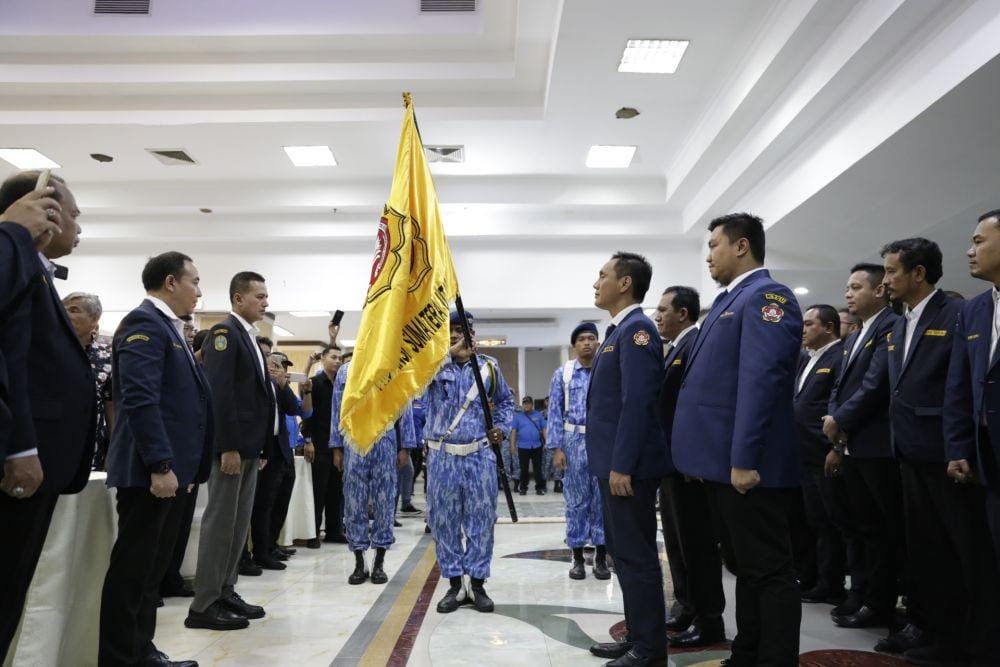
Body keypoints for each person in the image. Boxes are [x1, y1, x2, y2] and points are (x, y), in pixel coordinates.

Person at [672, 213, 804, 666]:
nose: (708, 254)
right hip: (721, 466)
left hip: (749, 466)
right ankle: (748, 653)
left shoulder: (767, 296)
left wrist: (744, 458)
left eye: (714, 245)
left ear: (742, 246)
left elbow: (761, 380)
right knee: (746, 569)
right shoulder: (730, 301)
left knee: (769, 571)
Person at [882, 234, 999, 666]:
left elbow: (959, 387)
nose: (886, 281)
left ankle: (961, 639)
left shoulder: (956, 313)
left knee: (959, 553)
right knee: (925, 551)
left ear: (918, 273)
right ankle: (931, 629)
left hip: (946, 453)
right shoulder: (899, 322)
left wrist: (957, 445)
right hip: (910, 451)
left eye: (893, 271)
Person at [0, 172, 95, 662]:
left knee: (12, 593)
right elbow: (11, 361)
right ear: (45, 211)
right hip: (20, 461)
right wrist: (21, 446)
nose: (78, 226)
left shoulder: (34, 272)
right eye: (74, 215)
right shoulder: (13, 263)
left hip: (41, 463)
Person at [99, 251, 210, 667]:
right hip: (151, 473)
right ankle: (119, 657)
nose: (199, 291)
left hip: (172, 473)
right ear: (170, 282)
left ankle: (141, 650)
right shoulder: (144, 323)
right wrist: (161, 465)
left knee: (151, 572)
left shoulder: (171, 328)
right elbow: (140, 399)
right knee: (133, 571)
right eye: (194, 281)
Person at [586, 252, 670, 667]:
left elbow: (637, 403)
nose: (596, 282)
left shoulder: (638, 330)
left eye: (603, 275)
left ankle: (650, 650)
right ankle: (637, 636)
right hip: (612, 464)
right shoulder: (618, 330)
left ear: (625, 284)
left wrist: (622, 464)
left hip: (627, 469)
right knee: (624, 556)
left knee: (637, 558)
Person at [185, 271, 275, 631]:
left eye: (266, 296)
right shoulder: (225, 334)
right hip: (233, 449)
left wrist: (260, 446)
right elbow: (220, 394)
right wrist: (228, 447)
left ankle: (225, 589)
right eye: (259, 296)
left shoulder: (249, 336)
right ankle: (204, 602)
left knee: (238, 526)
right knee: (221, 522)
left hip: (251, 447)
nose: (266, 302)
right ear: (239, 299)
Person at [824, 263, 902, 632]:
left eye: (856, 287)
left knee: (882, 532)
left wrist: (841, 419)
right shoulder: (855, 335)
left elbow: (876, 384)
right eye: (847, 287)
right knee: (861, 527)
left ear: (879, 291)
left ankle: (880, 603)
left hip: (875, 444)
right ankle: (863, 594)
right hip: (851, 444)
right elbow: (840, 385)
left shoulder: (890, 325)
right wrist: (833, 418)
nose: (848, 294)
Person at [424, 311, 514, 614]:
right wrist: (445, 354)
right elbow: (411, 384)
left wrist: (501, 427)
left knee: (481, 521)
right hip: (442, 456)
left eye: (460, 330)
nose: (454, 335)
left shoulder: (488, 367)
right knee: (444, 522)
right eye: (449, 330)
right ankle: (453, 585)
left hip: (479, 455)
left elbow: (505, 401)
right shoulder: (431, 365)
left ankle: (476, 584)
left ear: (471, 333)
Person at [653, 286, 726, 649]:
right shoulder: (676, 347)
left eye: (664, 309)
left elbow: (695, 406)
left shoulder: (695, 343)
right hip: (672, 464)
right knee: (678, 543)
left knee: (697, 545)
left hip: (689, 468)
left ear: (683, 313)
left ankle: (708, 619)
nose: (658, 316)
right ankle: (686, 606)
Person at [330, 361, 417, 584]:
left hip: (385, 438)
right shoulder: (347, 370)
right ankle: (359, 561)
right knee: (354, 501)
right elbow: (337, 408)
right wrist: (336, 446)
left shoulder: (396, 365)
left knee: (385, 501)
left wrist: (405, 445)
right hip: (354, 439)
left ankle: (379, 561)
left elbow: (404, 405)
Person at [792, 305, 853, 609]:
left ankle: (831, 584)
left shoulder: (838, 356)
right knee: (811, 520)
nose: (803, 330)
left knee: (830, 522)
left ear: (829, 327)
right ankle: (812, 576)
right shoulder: (809, 358)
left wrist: (836, 448)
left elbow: (836, 403)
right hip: (803, 453)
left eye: (809, 324)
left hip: (823, 452)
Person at [546, 322, 610, 581]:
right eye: (582, 339)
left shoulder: (607, 371)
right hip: (573, 440)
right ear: (574, 345)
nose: (587, 343)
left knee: (601, 501)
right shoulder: (563, 374)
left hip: (602, 441)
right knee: (575, 501)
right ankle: (576, 557)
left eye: (592, 338)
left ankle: (602, 558)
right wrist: (557, 448)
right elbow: (554, 412)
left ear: (598, 342)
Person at [160, 326, 211, 600]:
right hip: (169, 460)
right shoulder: (187, 369)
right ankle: (155, 583)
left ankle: (171, 578)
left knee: (178, 528)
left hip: (190, 463)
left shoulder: (200, 372)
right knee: (162, 530)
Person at [249, 354, 311, 570]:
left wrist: (283, 383)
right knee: (263, 504)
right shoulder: (256, 382)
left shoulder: (278, 386)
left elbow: (296, 409)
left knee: (279, 502)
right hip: (263, 449)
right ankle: (260, 551)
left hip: (282, 449)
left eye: (280, 366)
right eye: (273, 365)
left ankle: (269, 547)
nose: (277, 369)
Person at [300, 344, 347, 548]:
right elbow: (307, 415)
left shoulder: (342, 384)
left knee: (336, 490)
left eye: (340, 359)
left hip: (338, 444)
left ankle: (334, 530)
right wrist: (308, 440)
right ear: (324, 359)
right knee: (318, 489)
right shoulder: (315, 383)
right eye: (333, 357)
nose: (337, 361)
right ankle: (313, 532)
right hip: (318, 443)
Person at [63, 292, 114, 470]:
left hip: (90, 445)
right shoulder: (47, 351)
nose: (66, 314)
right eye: (63, 309)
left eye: (74, 310)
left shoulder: (106, 357)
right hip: (49, 441)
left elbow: (111, 405)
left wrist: (113, 450)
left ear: (94, 319)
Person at [510, 396, 546, 495]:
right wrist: (512, 446)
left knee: (538, 468)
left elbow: (544, 430)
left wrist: (546, 443)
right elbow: (513, 431)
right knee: (524, 469)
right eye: (524, 403)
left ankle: (539, 488)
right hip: (523, 447)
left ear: (532, 405)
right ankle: (523, 488)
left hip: (537, 446)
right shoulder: (517, 417)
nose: (526, 405)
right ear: (522, 405)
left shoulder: (538, 415)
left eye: (528, 403)